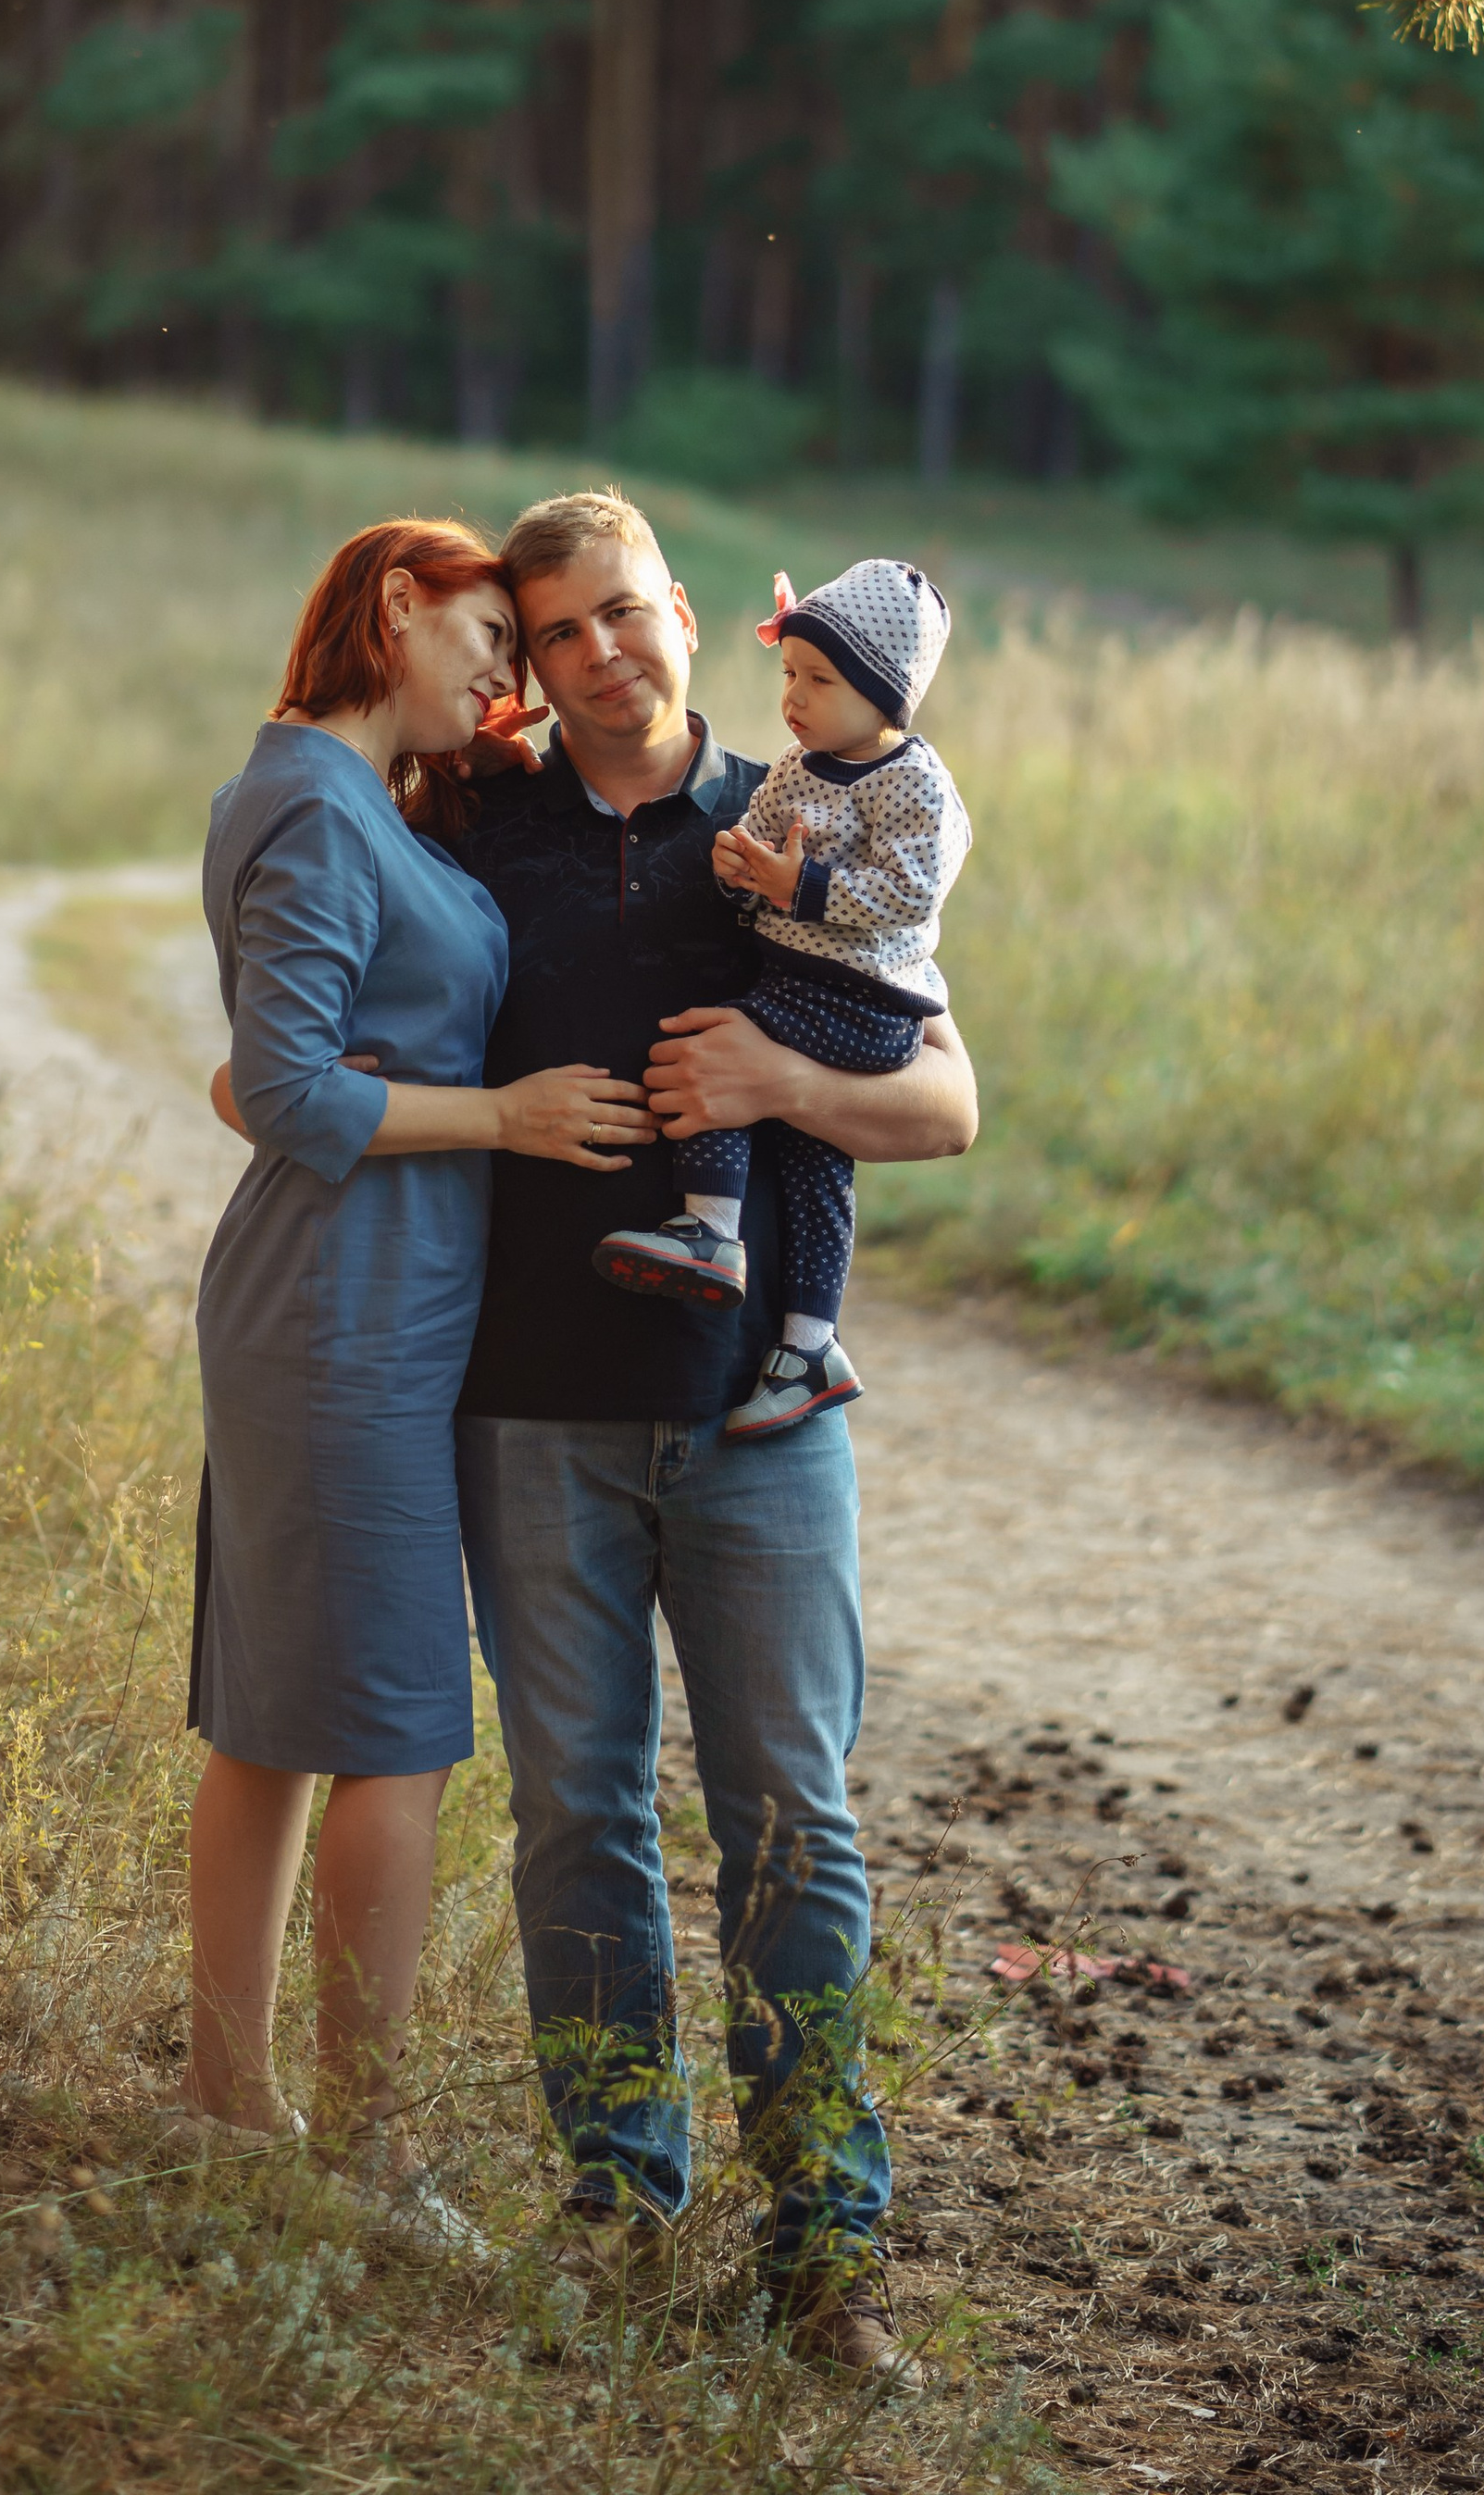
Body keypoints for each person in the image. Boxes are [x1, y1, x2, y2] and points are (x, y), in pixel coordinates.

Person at [450, 488, 978, 2369]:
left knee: (790, 1828)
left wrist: (769, 1080)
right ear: (526, 652)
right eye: (557, 630)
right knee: (574, 1824)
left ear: (687, 614)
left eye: (624, 614)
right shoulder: (473, 823)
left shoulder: (799, 804)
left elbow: (946, 1103)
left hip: (760, 1413)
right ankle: (615, 2210)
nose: (600, 654)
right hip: (524, 1404)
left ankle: (824, 2249)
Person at [182, 518, 655, 2230]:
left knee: (278, 1717)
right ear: (398, 603)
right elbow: (292, 1090)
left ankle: (228, 2117)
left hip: (352, 1300)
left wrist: (473, 761)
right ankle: (366, 2161)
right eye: (487, 641)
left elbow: (270, 1070)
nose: (506, 679)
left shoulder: (338, 792)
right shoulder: (316, 799)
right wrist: (511, 1118)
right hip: (339, 1315)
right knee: (390, 1728)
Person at [592, 557, 971, 1440]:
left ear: (885, 695)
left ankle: (709, 1230)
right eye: (788, 675)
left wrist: (799, 886)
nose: (794, 698)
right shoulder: (797, 769)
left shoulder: (916, 782)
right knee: (813, 1167)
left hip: (865, 1001)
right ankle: (810, 1346)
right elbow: (756, 844)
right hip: (808, 975)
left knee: (732, 1044)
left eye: (821, 680)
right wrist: (738, 871)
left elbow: (912, 892)